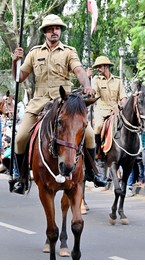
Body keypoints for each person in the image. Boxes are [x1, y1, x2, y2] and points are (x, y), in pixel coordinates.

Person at [11, 14, 106, 194]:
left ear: (60, 31)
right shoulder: (34, 53)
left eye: (57, 28)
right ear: (45, 32)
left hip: (63, 102)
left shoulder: (69, 52)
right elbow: (19, 77)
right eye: (50, 29)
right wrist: (15, 61)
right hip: (38, 102)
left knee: (91, 135)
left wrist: (87, 85)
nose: (54, 31)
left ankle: (93, 173)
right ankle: (21, 177)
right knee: (20, 138)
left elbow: (79, 70)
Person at [91, 56, 127, 156]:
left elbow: (123, 97)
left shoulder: (118, 81)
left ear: (106, 66)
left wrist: (122, 106)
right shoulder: (96, 80)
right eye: (97, 67)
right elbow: (94, 94)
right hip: (101, 110)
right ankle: (97, 150)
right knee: (98, 126)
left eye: (99, 66)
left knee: (129, 124)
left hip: (116, 110)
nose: (97, 69)